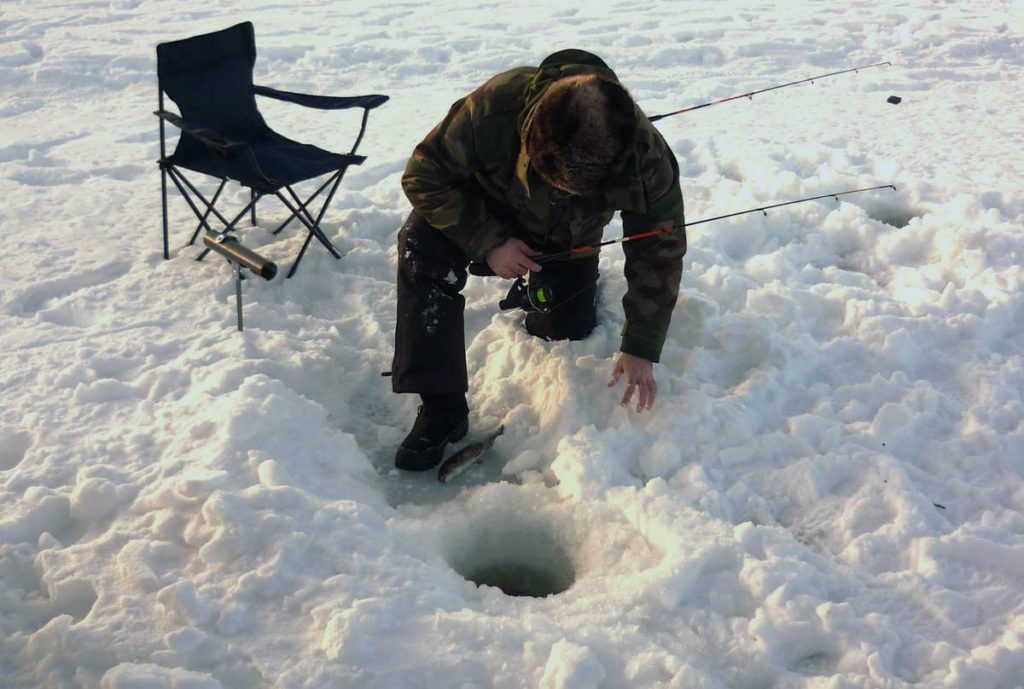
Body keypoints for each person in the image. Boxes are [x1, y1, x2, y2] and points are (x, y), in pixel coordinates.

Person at [391, 49, 686, 471]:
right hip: (482, 213)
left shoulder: (646, 158)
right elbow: (422, 174)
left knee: (566, 326)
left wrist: (642, 344)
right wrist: (489, 241)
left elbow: (659, 247)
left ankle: (537, 294)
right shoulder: (494, 108)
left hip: (566, 238)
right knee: (418, 248)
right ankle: (442, 408)